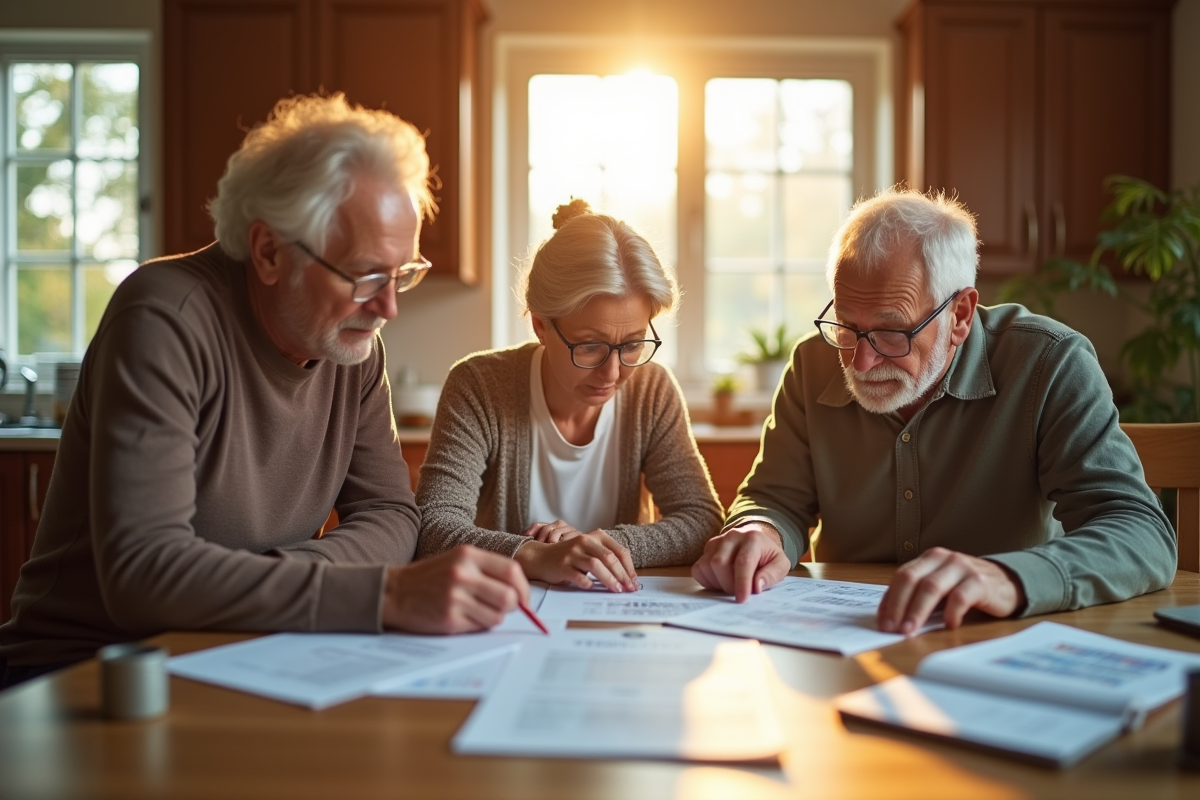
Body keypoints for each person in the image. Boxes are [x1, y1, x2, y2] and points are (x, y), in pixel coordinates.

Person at [0, 94, 529, 690]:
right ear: (270, 251)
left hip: (250, 647)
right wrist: (379, 591)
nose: (389, 307)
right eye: (365, 276)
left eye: (402, 272)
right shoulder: (164, 317)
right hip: (89, 669)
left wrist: (267, 579)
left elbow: (391, 515)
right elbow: (145, 576)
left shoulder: (352, 350)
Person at [692, 187, 1176, 632]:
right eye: (845, 325)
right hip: (847, 638)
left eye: (891, 331)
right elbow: (775, 497)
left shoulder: (1049, 363)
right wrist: (759, 530)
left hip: (998, 636)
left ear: (960, 314)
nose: (861, 361)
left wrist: (1008, 576)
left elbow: (1140, 533)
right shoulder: (810, 363)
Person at [416, 199, 723, 591]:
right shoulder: (479, 386)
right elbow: (433, 525)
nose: (612, 373)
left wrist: (600, 547)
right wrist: (536, 554)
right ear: (542, 326)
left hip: (612, 611)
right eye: (589, 346)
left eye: (632, 345)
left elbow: (702, 519)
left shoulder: (652, 390)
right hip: (505, 612)